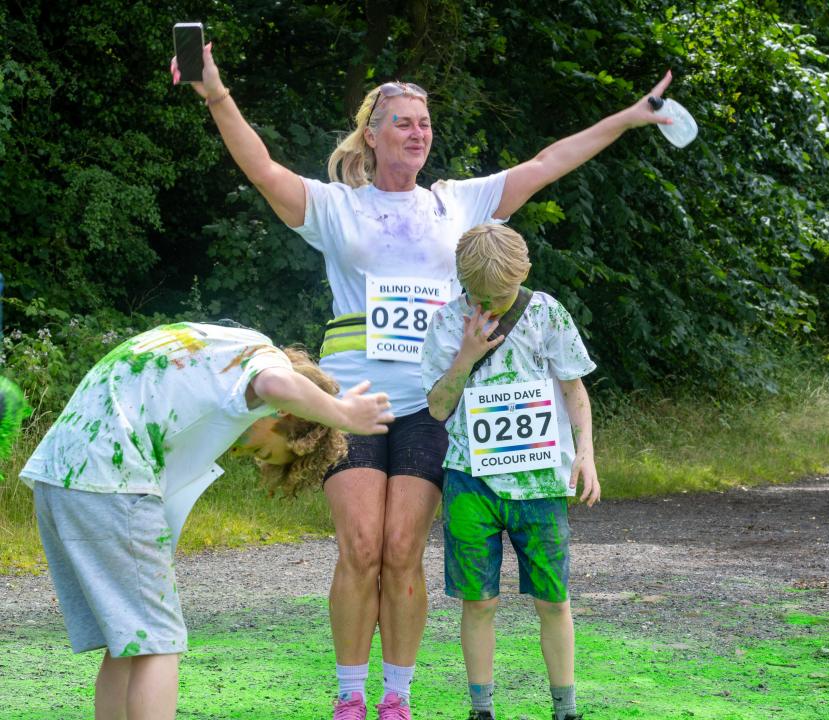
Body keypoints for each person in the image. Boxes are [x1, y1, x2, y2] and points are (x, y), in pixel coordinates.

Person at [173, 42, 670, 719]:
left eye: (424, 123)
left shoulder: (457, 203)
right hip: (348, 405)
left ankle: (396, 700)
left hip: (432, 406)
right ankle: (350, 695)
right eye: (402, 121)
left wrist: (632, 115)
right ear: (371, 135)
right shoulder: (335, 207)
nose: (417, 131)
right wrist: (217, 94)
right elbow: (262, 169)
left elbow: (549, 162)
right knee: (361, 547)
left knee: (403, 549)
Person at [18, 321, 393, 720]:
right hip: (110, 477)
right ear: (289, 415)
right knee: (158, 642)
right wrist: (342, 414)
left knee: (128, 641)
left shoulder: (219, 351)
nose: (251, 453)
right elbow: (274, 387)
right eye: (268, 453)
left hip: (59, 474)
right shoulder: (261, 362)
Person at [421, 223, 599, 720]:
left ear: (524, 275)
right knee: (477, 602)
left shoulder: (546, 312)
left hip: (540, 484)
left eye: (502, 296)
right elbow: (435, 408)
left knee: (553, 599)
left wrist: (585, 454)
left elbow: (574, 389)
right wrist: (466, 355)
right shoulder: (445, 323)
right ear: (461, 283)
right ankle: (481, 710)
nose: (492, 306)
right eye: (481, 297)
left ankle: (566, 709)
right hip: (469, 482)